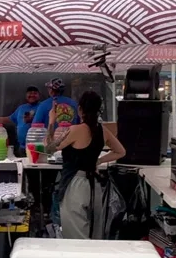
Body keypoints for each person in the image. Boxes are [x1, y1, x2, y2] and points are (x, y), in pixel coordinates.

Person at [47, 90, 126, 239]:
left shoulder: (75, 130)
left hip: (75, 185)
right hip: (94, 186)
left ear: (80, 109)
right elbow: (121, 151)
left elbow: (49, 148)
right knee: (95, 233)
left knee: (76, 236)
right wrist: (100, 160)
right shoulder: (103, 131)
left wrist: (51, 121)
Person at [0, 86, 41, 152]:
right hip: (22, 147)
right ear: (26, 95)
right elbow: (10, 119)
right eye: (30, 93)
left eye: (35, 93)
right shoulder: (21, 108)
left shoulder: (42, 107)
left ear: (39, 95)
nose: (32, 95)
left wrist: (32, 120)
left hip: (38, 147)